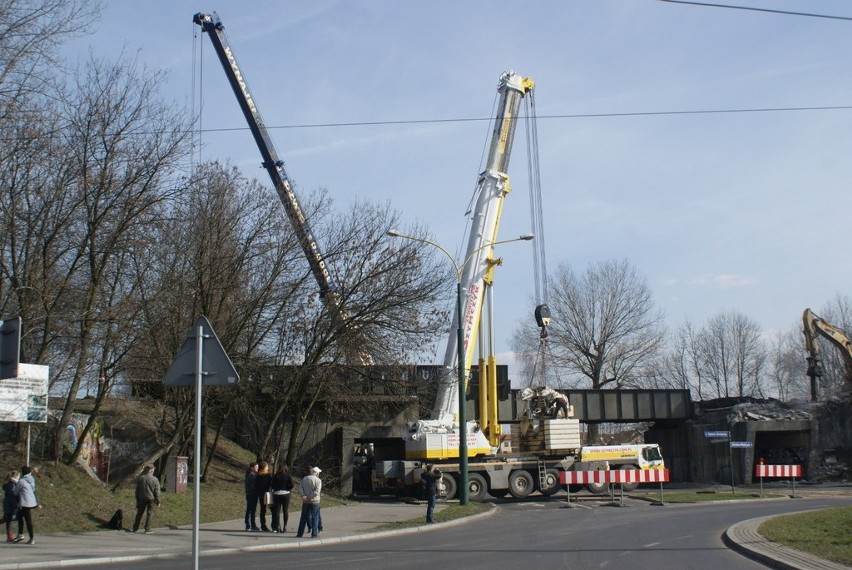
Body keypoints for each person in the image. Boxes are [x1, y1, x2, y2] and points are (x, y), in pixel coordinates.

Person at [130, 464, 161, 534]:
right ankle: (147, 529)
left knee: (139, 513)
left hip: (141, 498)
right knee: (150, 513)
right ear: (151, 470)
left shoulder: (141, 478)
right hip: (151, 499)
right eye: (153, 469)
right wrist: (158, 501)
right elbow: (157, 491)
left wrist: (137, 499)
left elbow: (137, 490)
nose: (153, 470)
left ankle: (135, 528)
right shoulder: (155, 479)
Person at [295, 466, 321, 538]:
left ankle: (300, 533)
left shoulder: (304, 479)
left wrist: (303, 495)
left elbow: (300, 488)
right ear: (317, 473)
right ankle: (314, 533)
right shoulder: (318, 480)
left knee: (303, 517)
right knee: (315, 517)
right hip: (315, 501)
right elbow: (317, 492)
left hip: (305, 501)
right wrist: (310, 497)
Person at [14, 466, 37, 544]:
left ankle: (31, 538)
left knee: (25, 520)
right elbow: (33, 489)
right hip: (31, 501)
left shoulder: (22, 481)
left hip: (24, 502)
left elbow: (15, 492)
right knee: (21, 517)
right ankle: (21, 534)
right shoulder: (32, 479)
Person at [270, 464, 293, 533]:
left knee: (277, 511)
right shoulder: (288, 475)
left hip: (277, 494)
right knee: (285, 510)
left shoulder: (275, 476)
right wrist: (287, 489)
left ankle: (278, 526)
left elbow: (272, 485)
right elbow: (292, 485)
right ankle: (285, 526)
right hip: (286, 494)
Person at [255, 461, 272, 532]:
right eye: (267, 466)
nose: (268, 468)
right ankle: (274, 525)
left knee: (263, 510)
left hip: (260, 494)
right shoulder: (267, 476)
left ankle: (263, 525)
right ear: (265, 467)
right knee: (272, 509)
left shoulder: (258, 475)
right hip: (267, 494)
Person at [3, 470, 19, 542]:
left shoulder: (9, 484)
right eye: (18, 476)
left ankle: (9, 536)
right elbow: (12, 496)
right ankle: (10, 537)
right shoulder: (12, 485)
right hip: (10, 505)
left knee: (8, 519)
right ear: (15, 477)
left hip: (7, 504)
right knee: (10, 520)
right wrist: (15, 506)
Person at [244, 462, 259, 531]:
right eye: (256, 467)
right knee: (251, 509)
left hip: (249, 494)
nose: (257, 469)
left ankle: (250, 524)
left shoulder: (249, 473)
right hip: (252, 494)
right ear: (252, 468)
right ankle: (249, 525)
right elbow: (253, 486)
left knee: (250, 509)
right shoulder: (252, 475)